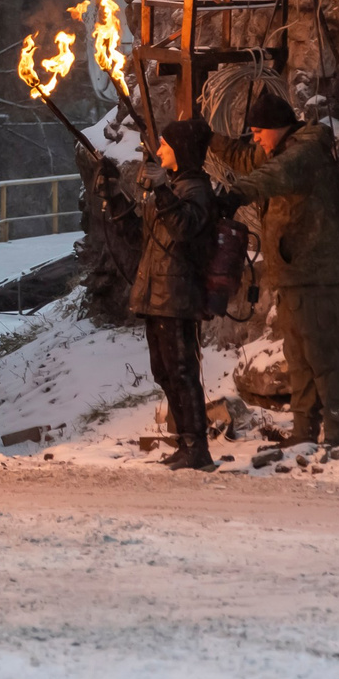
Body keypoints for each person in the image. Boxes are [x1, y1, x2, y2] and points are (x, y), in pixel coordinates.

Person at [209, 90, 339, 446]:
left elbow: (274, 173)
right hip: (293, 276)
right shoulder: (279, 149)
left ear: (279, 127)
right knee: (299, 358)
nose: (256, 137)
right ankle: (305, 431)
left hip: (316, 275)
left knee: (324, 354)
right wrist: (209, 139)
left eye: (259, 130)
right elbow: (249, 158)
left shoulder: (304, 155)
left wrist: (236, 194)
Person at [120, 117, 221, 471]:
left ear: (181, 151)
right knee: (164, 371)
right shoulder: (174, 189)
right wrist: (112, 195)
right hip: (157, 294)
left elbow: (183, 230)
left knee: (181, 370)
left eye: (165, 144)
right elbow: (142, 236)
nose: (159, 150)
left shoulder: (196, 190)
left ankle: (198, 447)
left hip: (178, 296)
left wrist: (162, 190)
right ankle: (186, 443)